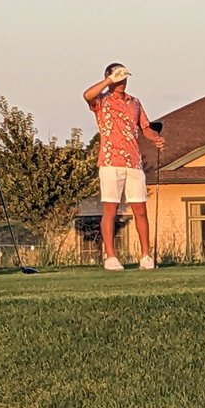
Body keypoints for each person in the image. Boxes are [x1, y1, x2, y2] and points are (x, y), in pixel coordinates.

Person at [83, 63, 164, 270]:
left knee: (140, 209)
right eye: (119, 78)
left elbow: (145, 127)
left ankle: (146, 256)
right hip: (110, 161)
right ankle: (111, 257)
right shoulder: (101, 100)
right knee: (110, 209)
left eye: (124, 78)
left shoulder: (134, 102)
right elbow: (87, 95)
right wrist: (109, 80)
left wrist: (155, 138)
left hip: (133, 161)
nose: (123, 82)